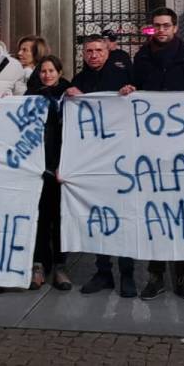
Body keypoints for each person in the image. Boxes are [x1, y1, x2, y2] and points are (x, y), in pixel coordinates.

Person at [119, 6, 184, 302]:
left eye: (166, 26)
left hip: (183, 147)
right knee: (155, 212)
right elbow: (137, 89)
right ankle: (156, 275)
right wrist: (130, 89)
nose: (160, 30)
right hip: (152, 147)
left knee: (181, 212)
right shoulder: (141, 58)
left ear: (175, 28)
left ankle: (182, 277)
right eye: (156, 26)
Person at [66, 34, 137, 298]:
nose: (94, 55)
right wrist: (71, 95)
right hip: (93, 160)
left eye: (98, 50)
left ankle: (127, 273)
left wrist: (130, 93)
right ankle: (103, 271)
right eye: (89, 51)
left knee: (124, 216)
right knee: (99, 216)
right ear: (84, 54)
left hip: (122, 159)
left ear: (107, 51)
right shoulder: (80, 80)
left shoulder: (123, 76)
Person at [27, 54, 72, 292]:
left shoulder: (71, 96)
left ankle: (61, 267)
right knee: (41, 219)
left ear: (59, 72)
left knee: (60, 218)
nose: (47, 75)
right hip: (38, 167)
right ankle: (39, 266)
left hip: (63, 167)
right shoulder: (30, 97)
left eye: (51, 71)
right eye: (43, 71)